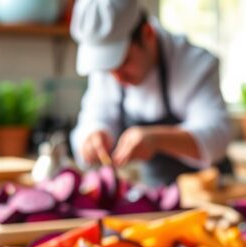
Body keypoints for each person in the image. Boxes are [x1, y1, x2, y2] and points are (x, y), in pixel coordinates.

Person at [69, 0, 232, 186]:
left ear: (148, 34)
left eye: (124, 62)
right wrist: (93, 135)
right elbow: (93, 118)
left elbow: (218, 137)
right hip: (153, 193)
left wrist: (157, 139)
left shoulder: (194, 63)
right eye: (109, 69)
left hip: (205, 192)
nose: (117, 77)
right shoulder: (109, 73)